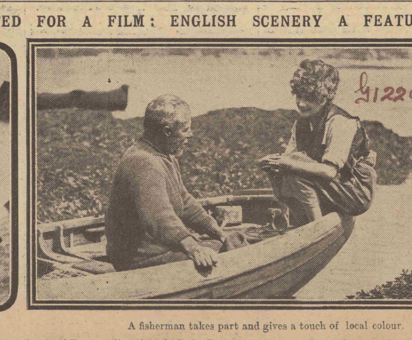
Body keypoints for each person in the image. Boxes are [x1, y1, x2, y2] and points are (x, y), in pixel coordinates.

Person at [105, 95, 246, 272]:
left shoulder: (164, 156)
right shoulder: (143, 162)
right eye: (185, 129)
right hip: (142, 258)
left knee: (229, 240)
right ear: (167, 131)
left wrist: (215, 230)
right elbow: (159, 216)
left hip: (159, 249)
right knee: (235, 248)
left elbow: (184, 201)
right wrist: (194, 248)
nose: (190, 134)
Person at [258, 59, 376, 227]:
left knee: (294, 169)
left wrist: (288, 163)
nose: (301, 103)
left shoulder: (339, 122)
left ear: (324, 98)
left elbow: (329, 171)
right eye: (299, 96)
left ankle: (316, 228)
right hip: (331, 185)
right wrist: (274, 163)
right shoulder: (301, 123)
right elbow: (288, 157)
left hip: (355, 190)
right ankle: (290, 220)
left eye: (310, 98)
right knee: (280, 169)